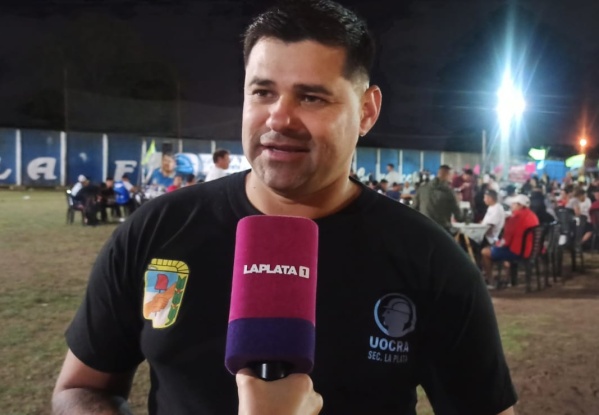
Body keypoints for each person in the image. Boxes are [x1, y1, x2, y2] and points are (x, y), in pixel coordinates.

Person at [52, 2, 517, 415]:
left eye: (311, 97)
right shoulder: (158, 229)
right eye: (263, 92)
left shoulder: (431, 261)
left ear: (366, 111)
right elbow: (79, 388)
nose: (279, 117)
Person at [481, 194, 540, 287]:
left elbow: (506, 241)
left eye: (513, 204)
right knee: (501, 252)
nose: (511, 206)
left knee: (485, 252)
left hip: (519, 252)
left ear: (520, 205)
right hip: (532, 249)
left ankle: (490, 281)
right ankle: (508, 279)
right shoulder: (532, 215)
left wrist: (496, 244)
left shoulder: (515, 217)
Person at [412, 164, 463, 232]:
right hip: (442, 231)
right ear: (448, 175)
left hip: (423, 228)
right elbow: (459, 217)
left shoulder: (422, 188)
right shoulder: (449, 192)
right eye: (452, 175)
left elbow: (413, 209)